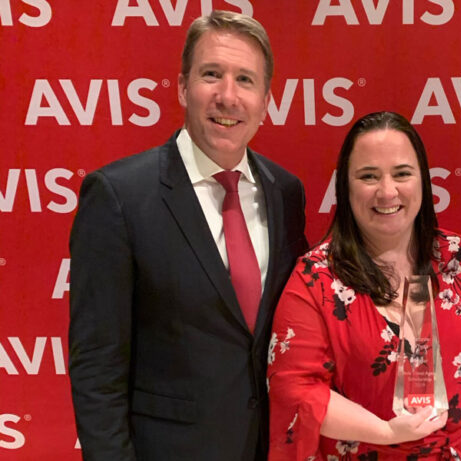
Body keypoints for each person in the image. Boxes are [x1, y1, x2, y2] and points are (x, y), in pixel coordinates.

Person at [68, 11, 308, 460]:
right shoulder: (119, 196)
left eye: (245, 80)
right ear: (182, 87)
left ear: (265, 101)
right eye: (211, 74)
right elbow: (97, 368)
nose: (227, 96)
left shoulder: (286, 193)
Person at [267, 111, 461, 460]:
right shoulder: (316, 279)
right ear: (345, 186)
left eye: (402, 174)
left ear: (424, 181)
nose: (387, 191)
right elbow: (295, 388)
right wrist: (386, 432)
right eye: (368, 176)